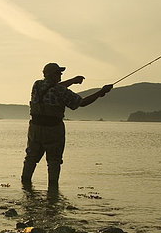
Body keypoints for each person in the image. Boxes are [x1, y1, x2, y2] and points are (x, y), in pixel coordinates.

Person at [21, 62, 113, 190]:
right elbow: (82, 103)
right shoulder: (61, 91)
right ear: (51, 75)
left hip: (35, 129)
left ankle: (25, 187)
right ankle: (53, 191)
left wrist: (73, 81)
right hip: (53, 130)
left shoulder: (37, 85)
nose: (60, 75)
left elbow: (52, 87)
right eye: (58, 73)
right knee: (54, 162)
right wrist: (101, 92)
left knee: (31, 158)